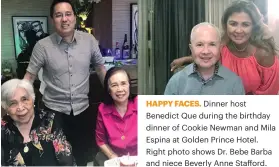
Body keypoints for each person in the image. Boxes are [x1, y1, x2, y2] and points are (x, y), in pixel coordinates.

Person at [23, 0, 106, 165]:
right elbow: (29, 77)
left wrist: (114, 94)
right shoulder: (42, 46)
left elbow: (101, 69)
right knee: (57, 160)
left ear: (75, 17)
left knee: (83, 157)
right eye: (58, 15)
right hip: (53, 114)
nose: (64, 19)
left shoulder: (89, 40)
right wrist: (19, 101)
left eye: (68, 14)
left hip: (83, 112)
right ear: (53, 19)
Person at [170, 0, 279, 95]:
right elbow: (208, 54)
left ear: (253, 27)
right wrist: (185, 59)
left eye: (245, 25)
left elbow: (268, 96)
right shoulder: (223, 45)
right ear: (225, 24)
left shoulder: (264, 53)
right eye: (233, 24)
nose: (238, 30)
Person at [1, 79, 76, 166]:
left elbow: (67, 162)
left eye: (24, 99)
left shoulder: (49, 121)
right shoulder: (2, 130)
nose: (20, 108)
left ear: (32, 100)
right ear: (6, 108)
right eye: (13, 103)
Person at [165, 22, 245, 95]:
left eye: (212, 44)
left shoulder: (234, 83)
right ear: (191, 48)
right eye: (200, 45)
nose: (206, 51)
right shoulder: (176, 82)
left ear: (220, 48)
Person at [95, 67, 137, 166]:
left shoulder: (140, 104)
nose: (120, 89)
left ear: (129, 86)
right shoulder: (103, 109)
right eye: (114, 85)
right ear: (109, 90)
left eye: (123, 83)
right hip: (115, 157)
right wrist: (114, 157)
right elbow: (101, 141)